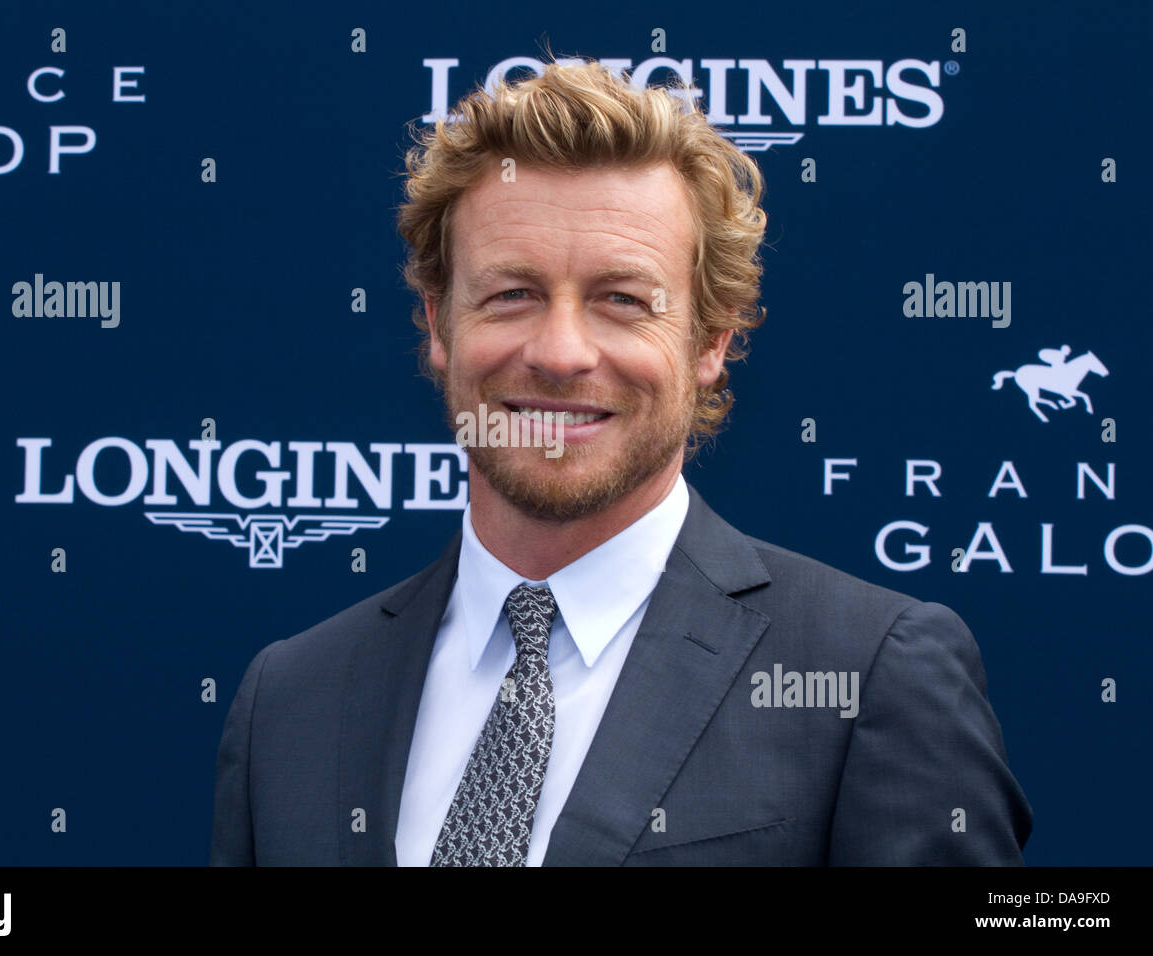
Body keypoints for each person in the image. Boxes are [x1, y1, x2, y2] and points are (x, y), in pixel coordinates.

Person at [210, 58, 1033, 866]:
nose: (562, 352)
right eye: (511, 294)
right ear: (437, 324)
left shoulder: (869, 674)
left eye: (623, 300)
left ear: (712, 339)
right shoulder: (290, 698)